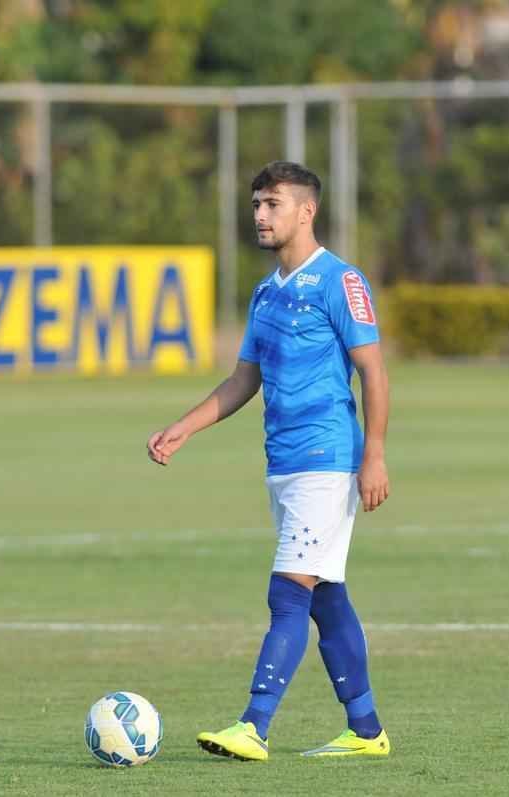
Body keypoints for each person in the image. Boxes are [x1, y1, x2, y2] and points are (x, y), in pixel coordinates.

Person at [146, 160, 391, 761]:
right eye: (256, 203)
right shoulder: (265, 293)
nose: (259, 214)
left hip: (327, 457)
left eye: (272, 203)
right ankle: (366, 733)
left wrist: (375, 454)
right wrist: (184, 427)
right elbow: (241, 382)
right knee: (326, 596)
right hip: (283, 463)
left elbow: (374, 372)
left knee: (288, 593)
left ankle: (253, 725)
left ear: (306, 211)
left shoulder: (340, 281)